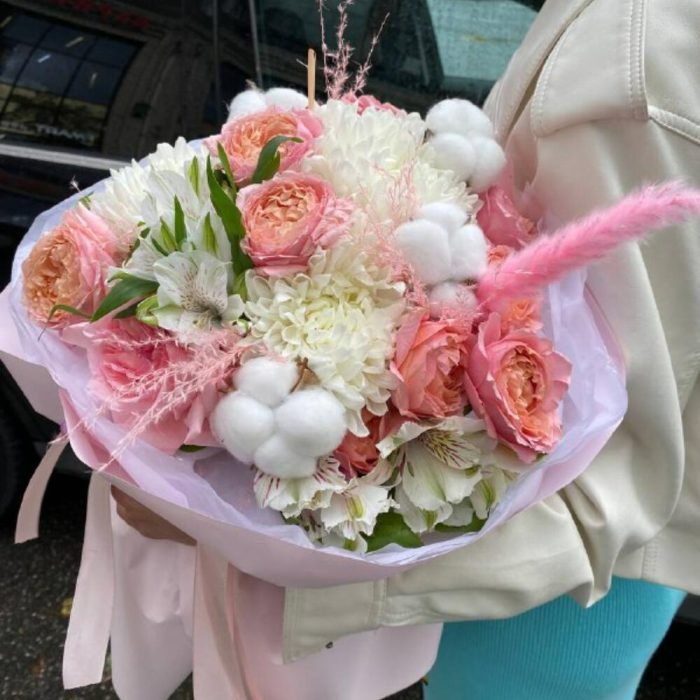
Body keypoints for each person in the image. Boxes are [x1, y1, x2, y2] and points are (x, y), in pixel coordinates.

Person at [116, 0, 700, 697]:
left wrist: (228, 532)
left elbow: (612, 481)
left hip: (552, 600)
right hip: (553, 580)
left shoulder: (639, 51)